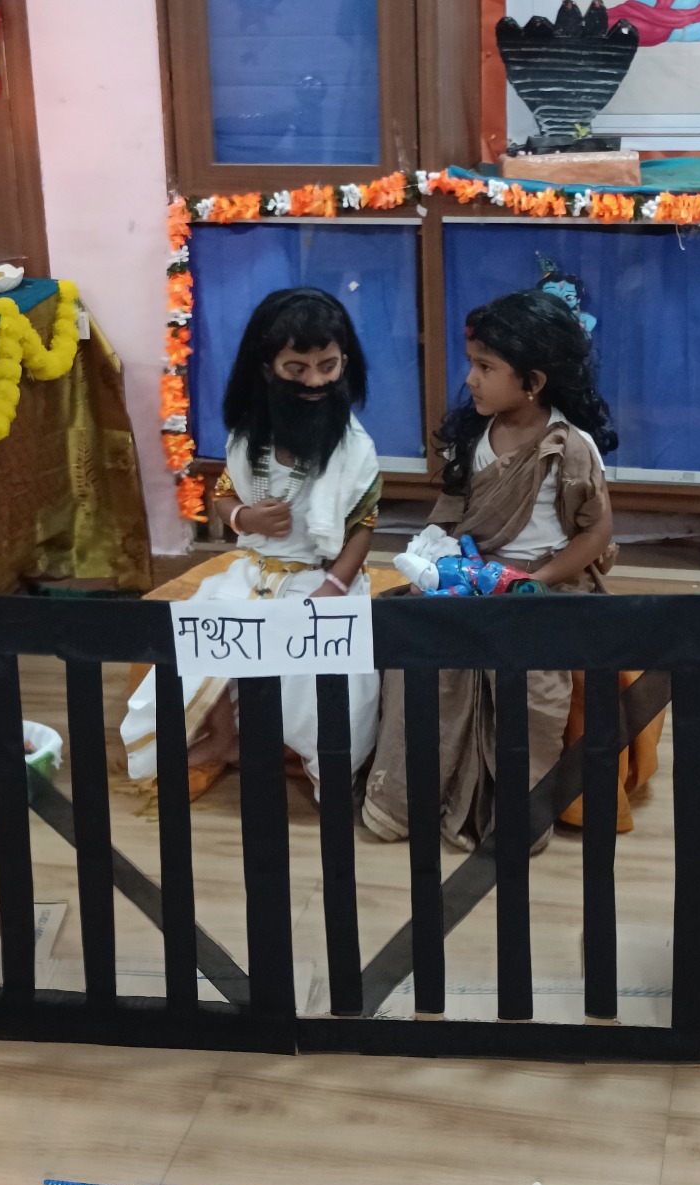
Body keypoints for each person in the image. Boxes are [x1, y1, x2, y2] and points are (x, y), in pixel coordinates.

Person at [362, 288, 618, 852]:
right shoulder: (475, 437)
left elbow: (595, 535)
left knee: (529, 687)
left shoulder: (569, 448)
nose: (470, 379)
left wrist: (531, 582)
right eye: (472, 364)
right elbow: (451, 519)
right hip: (468, 579)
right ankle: (408, 804)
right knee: (420, 662)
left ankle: (513, 818)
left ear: (534, 381)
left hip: (545, 585)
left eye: (485, 367)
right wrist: (445, 563)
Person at [122, 287, 382, 796]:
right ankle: (224, 737)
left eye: (328, 366)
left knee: (327, 682)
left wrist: (333, 587)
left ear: (344, 363)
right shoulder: (248, 437)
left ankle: (317, 762)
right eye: (297, 369)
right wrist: (246, 516)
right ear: (267, 369)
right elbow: (223, 496)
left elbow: (364, 525)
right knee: (200, 637)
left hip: (325, 579)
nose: (315, 381)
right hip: (256, 571)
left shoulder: (356, 448)